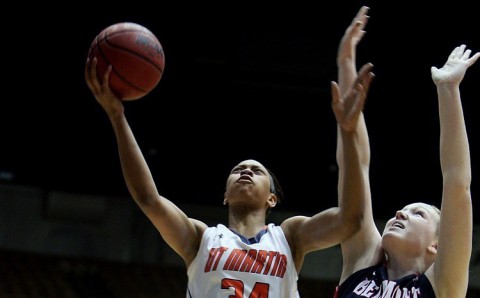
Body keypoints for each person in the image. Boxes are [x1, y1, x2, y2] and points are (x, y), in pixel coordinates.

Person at [84, 20, 374, 297]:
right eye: (238, 169)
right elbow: (148, 199)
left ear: (271, 199)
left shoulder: (290, 236)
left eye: (257, 171)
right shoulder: (199, 239)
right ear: (225, 195)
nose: (245, 171)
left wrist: (348, 135)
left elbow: (351, 219)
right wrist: (117, 116)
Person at [333, 6, 478, 298]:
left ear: (435, 246)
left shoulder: (442, 285)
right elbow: (355, 165)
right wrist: (346, 63)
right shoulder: (362, 262)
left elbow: (456, 183)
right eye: (408, 210)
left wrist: (448, 90)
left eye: (418, 214)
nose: (400, 212)